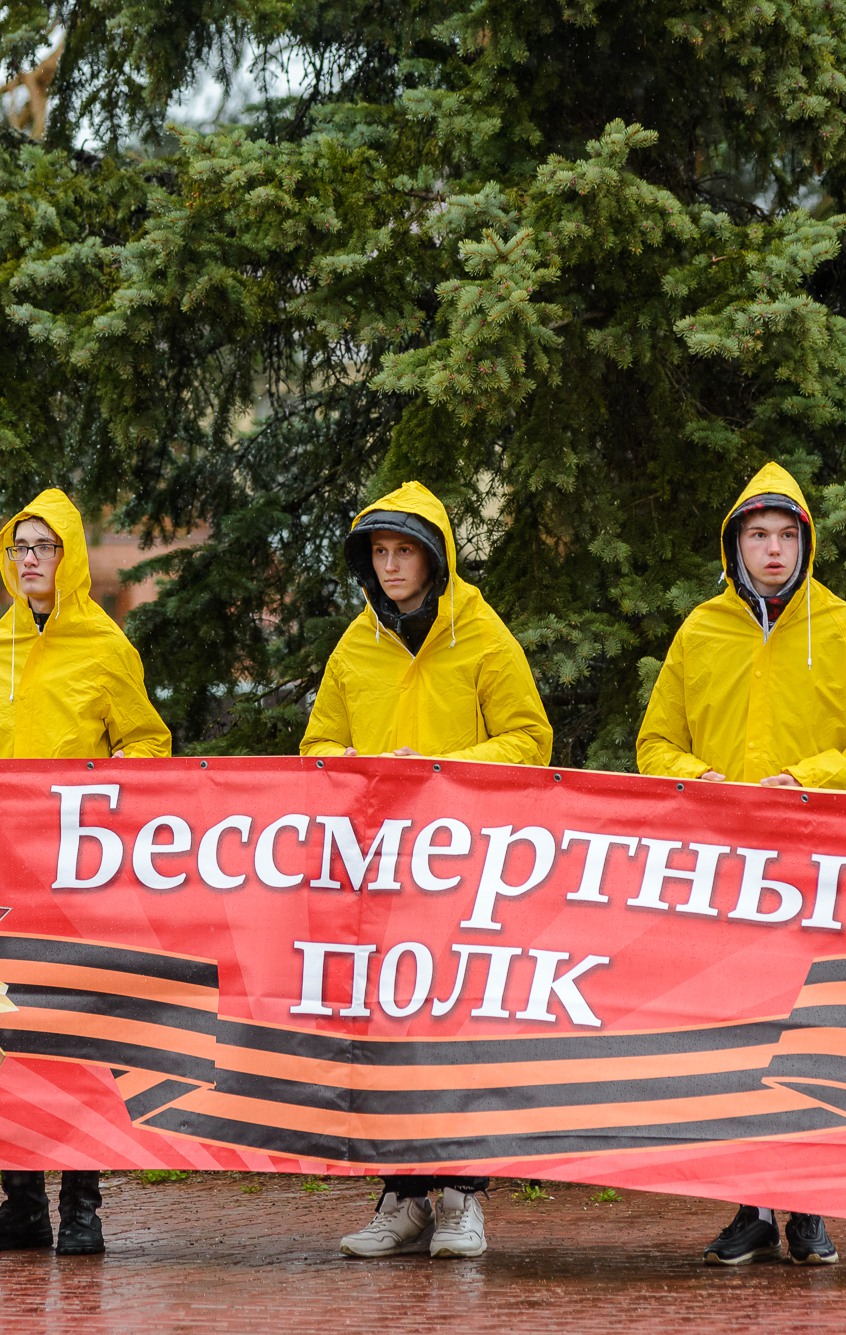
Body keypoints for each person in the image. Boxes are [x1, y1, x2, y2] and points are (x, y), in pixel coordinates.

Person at [636, 461, 846, 1265]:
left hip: (819, 869)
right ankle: (751, 1204)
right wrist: (698, 779)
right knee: (740, 1034)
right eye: (759, 535)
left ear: (806, 542)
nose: (774, 549)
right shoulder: (699, 630)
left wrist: (809, 779)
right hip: (725, 870)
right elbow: (655, 743)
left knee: (813, 1034)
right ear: (736, 544)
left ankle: (810, 1208)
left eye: (787, 535)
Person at [302, 480, 553, 1260]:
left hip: (467, 874)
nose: (389, 565)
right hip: (379, 874)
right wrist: (348, 762)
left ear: (434, 558)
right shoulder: (355, 643)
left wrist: (442, 768)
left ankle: (462, 1198)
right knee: (385, 1035)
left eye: (403, 550)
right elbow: (315, 748)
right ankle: (402, 1197)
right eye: (378, 552)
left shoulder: (482, 635)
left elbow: (528, 740)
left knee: (459, 1034)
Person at [0, 487, 172, 1257]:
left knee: (79, 1035)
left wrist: (97, 790)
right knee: (3, 1035)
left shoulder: (107, 648)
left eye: (44, 547)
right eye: (20, 548)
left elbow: (149, 746)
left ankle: (82, 1204)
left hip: (79, 880)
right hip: (2, 878)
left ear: (69, 556)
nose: (31, 560)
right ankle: (21, 1203)